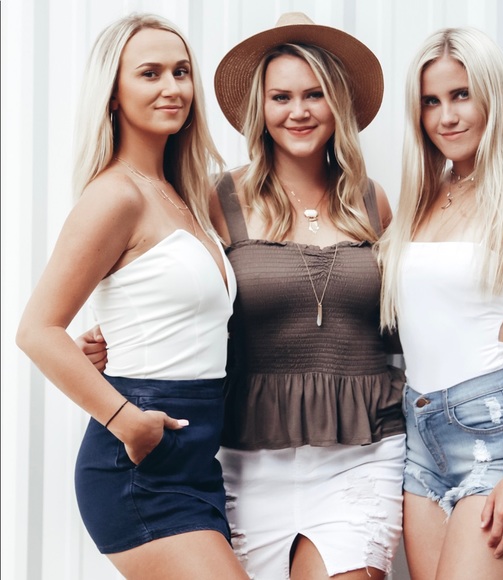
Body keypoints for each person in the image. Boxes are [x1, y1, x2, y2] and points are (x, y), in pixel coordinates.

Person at [79, 11, 406, 580]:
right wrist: (115, 336)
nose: (299, 111)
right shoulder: (216, 199)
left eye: (315, 95)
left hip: (362, 452)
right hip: (246, 459)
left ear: (337, 104)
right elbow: (183, 290)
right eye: (281, 97)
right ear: (261, 108)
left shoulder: (371, 201)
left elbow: (401, 321)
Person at [16, 13, 249, 579]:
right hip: (139, 467)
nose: (172, 88)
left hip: (200, 459)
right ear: (114, 94)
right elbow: (37, 330)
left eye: (181, 72)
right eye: (150, 73)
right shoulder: (115, 195)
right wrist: (127, 420)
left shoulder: (182, 194)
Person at [377, 26, 503, 580]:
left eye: (461, 95)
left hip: (497, 428)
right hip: (419, 431)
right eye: (431, 102)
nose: (446, 117)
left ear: (492, 95)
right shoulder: (420, 202)